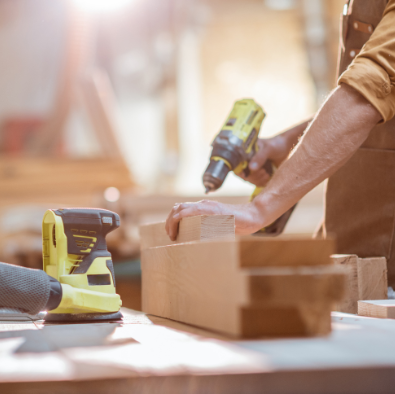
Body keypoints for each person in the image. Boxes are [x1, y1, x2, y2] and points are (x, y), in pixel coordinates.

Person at [165, 0, 395, 285]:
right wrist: (287, 143)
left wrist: (258, 211)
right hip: (353, 248)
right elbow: (380, 104)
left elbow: (369, 91)